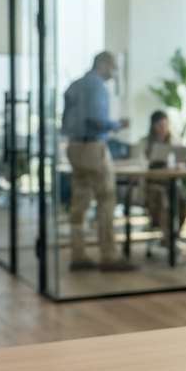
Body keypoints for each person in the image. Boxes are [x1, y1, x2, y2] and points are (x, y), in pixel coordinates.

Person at [61, 51, 135, 272]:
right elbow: (95, 119)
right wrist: (117, 125)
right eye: (113, 67)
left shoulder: (74, 85)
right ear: (103, 65)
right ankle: (109, 255)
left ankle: (79, 253)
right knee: (106, 199)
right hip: (93, 146)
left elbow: (67, 120)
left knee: (80, 202)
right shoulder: (96, 85)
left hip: (74, 147)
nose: (114, 72)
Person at [133, 111, 186, 249]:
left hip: (172, 182)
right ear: (153, 126)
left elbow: (183, 161)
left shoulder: (174, 141)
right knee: (164, 203)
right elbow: (140, 164)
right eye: (160, 125)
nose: (163, 128)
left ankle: (173, 236)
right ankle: (167, 238)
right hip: (152, 184)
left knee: (184, 203)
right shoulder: (144, 143)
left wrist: (178, 165)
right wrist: (154, 163)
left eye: (166, 124)